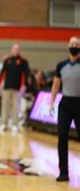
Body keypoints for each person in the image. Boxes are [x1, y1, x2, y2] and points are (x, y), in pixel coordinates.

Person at [49, 36, 80, 182]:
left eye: (77, 44)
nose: (74, 46)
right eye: (72, 44)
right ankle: (63, 173)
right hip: (65, 105)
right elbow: (55, 86)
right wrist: (51, 103)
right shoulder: (61, 65)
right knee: (62, 138)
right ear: (68, 46)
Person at [0, 43, 29, 134]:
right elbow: (3, 73)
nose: (16, 50)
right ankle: (4, 124)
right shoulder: (7, 60)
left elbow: (25, 74)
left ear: (19, 51)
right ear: (11, 50)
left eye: (18, 49)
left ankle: (15, 124)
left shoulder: (23, 61)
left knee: (16, 106)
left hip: (17, 88)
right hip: (7, 87)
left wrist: (23, 85)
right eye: (15, 49)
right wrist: (0, 84)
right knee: (5, 105)